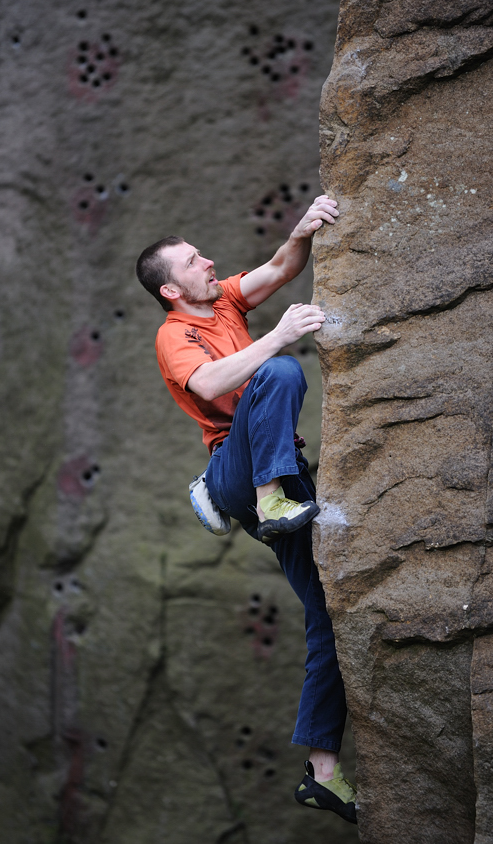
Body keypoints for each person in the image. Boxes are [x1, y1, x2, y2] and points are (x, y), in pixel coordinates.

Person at [136, 195, 357, 824]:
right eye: (192, 261)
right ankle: (267, 499)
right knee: (280, 372)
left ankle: (322, 771)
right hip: (238, 470)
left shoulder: (224, 301)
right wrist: (280, 335)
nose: (207, 261)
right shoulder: (174, 334)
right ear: (171, 290)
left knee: (328, 611)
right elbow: (209, 384)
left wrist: (303, 229)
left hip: (277, 468)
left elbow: (281, 268)